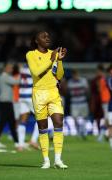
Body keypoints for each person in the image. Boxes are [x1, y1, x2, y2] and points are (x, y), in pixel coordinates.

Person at [26, 30, 67, 169]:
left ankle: (58, 159)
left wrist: (59, 61)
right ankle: (46, 160)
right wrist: (52, 59)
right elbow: (36, 72)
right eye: (43, 36)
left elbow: (59, 75)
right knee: (42, 127)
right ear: (37, 41)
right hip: (39, 93)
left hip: (53, 92)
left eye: (48, 36)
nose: (47, 38)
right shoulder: (31, 54)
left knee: (58, 122)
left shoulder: (53, 54)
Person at [0, 62, 20, 148]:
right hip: (5, 102)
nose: (11, 69)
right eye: (10, 68)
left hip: (7, 102)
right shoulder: (4, 77)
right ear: (5, 68)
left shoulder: (5, 76)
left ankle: (17, 142)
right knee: (3, 122)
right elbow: (17, 82)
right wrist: (21, 72)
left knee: (11, 122)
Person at [90, 64, 110, 142]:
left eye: (100, 71)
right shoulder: (95, 80)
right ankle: (102, 134)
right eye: (98, 71)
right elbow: (93, 92)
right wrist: (92, 102)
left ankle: (106, 134)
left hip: (106, 101)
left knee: (107, 118)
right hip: (99, 102)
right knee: (100, 118)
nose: (99, 73)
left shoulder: (106, 79)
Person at [67, 70, 89, 139]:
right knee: (74, 118)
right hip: (74, 103)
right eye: (74, 75)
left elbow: (87, 90)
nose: (75, 76)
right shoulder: (70, 82)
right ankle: (79, 132)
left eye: (76, 75)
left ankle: (83, 132)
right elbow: (69, 92)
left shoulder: (83, 80)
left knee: (84, 117)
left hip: (83, 102)